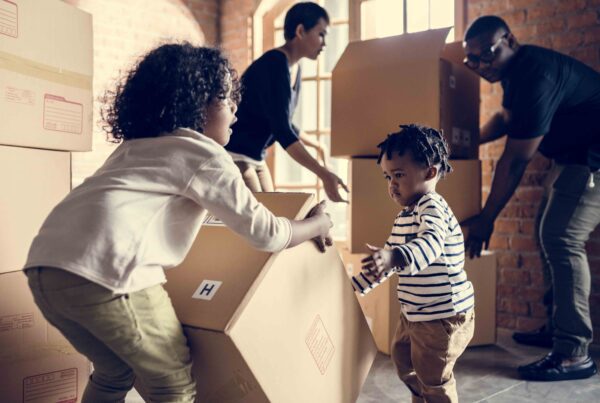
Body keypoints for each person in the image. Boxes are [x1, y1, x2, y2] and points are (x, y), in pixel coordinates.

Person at [23, 43, 333, 402]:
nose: (235, 108)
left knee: (113, 373)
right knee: (173, 384)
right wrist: (318, 224)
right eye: (224, 98)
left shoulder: (136, 147)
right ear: (194, 105)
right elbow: (267, 233)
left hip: (46, 269)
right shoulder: (207, 154)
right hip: (109, 272)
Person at [462, 15, 600, 381]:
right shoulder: (515, 73)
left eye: (486, 55)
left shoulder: (536, 73)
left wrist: (486, 218)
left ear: (509, 40)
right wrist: (463, 142)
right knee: (547, 230)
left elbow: (516, 160)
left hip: (593, 159)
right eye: (470, 60)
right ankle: (558, 327)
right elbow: (508, 118)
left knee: (562, 236)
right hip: (571, 157)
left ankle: (574, 353)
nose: (479, 66)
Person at [352, 124, 475, 403]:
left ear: (430, 172)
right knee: (403, 360)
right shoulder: (406, 215)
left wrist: (394, 256)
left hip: (442, 315)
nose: (391, 185)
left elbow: (429, 244)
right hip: (415, 313)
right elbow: (388, 263)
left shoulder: (432, 207)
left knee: (434, 376)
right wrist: (354, 286)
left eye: (399, 175)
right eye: (387, 176)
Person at [225, 2, 348, 201]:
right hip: (236, 155)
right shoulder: (274, 64)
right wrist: (324, 174)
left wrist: (318, 145)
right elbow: (282, 129)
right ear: (300, 31)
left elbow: (280, 119)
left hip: (256, 157)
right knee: (263, 221)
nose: (324, 43)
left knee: (275, 213)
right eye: (321, 34)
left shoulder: (294, 69)